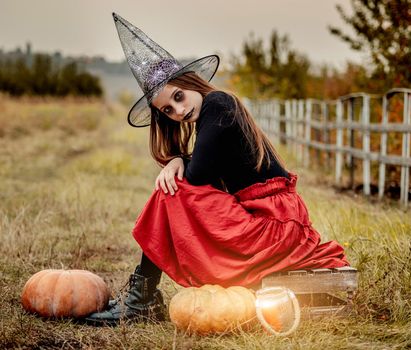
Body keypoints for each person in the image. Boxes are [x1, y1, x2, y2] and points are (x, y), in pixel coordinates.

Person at [85, 13, 349, 326]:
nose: (179, 111)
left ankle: (141, 300)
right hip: (259, 218)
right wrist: (179, 158)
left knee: (171, 193)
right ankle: (142, 298)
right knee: (170, 191)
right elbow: (201, 170)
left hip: (273, 223)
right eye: (168, 110)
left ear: (190, 84)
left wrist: (179, 161)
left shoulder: (219, 102)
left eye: (178, 97)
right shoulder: (209, 115)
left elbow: (197, 178)